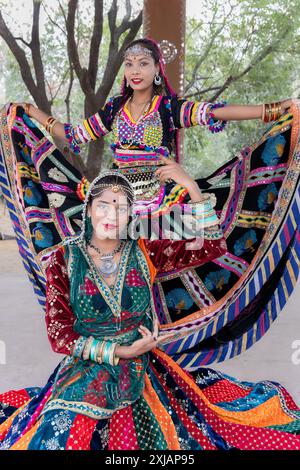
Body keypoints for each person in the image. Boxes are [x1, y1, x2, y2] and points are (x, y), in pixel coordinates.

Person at [1, 36, 300, 376]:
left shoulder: (168, 108)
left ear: (158, 69)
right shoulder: (114, 110)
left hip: (161, 203)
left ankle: (157, 359)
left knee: (175, 265)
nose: (135, 71)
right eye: (129, 64)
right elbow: (71, 135)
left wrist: (274, 111)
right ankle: (117, 348)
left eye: (143, 63)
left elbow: (215, 112)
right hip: (119, 203)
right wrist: (29, 113)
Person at [1, 170, 300, 451]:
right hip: (85, 368)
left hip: (142, 370)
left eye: (120, 208)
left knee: (160, 435)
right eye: (103, 206)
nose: (111, 215)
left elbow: (212, 246)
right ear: (89, 210)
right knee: (59, 434)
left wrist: (191, 188)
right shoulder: (62, 259)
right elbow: (59, 335)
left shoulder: (146, 249)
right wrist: (120, 352)